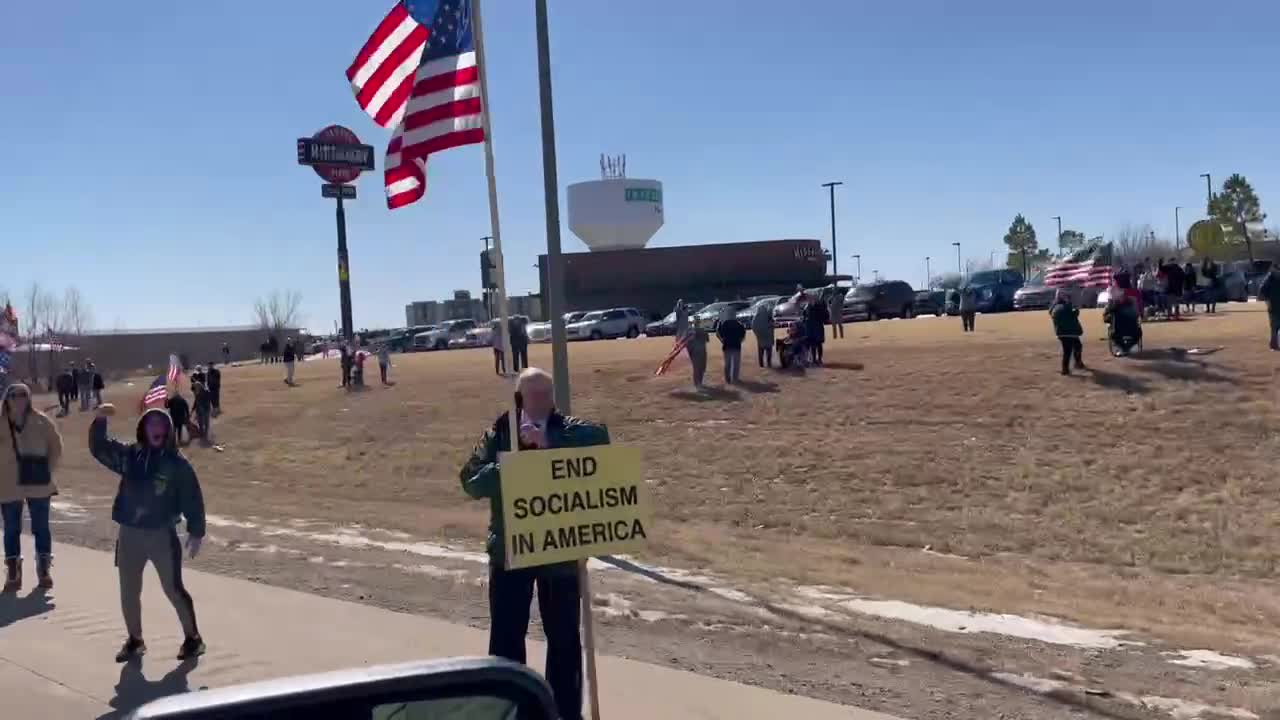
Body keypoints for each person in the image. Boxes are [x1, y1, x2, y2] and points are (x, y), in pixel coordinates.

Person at [459, 368, 609, 720]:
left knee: (565, 643)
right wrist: (512, 463)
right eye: (534, 395)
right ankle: (511, 710)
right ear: (519, 399)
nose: (542, 401)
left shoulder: (569, 429)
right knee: (507, 641)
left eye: (547, 394)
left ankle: (564, 713)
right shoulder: (499, 434)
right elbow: (470, 482)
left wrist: (549, 446)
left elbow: (601, 440)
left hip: (559, 550)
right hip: (511, 551)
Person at [89, 403, 205, 662]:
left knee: (173, 589)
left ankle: (193, 639)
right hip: (130, 533)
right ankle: (135, 640)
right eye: (151, 424)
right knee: (128, 590)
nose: (156, 429)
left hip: (161, 535)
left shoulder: (176, 464)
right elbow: (101, 449)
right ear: (143, 429)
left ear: (168, 430)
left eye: (161, 424)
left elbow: (192, 497)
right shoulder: (131, 455)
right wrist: (99, 421)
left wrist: (196, 532)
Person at [1, 383, 63, 592]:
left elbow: (56, 446)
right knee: (11, 529)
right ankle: (13, 571)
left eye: (23, 395)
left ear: (28, 398)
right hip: (8, 484)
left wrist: (47, 469)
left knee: (41, 528)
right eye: (14, 395)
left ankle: (43, 569)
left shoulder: (41, 421)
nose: (18, 399)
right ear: (7, 398)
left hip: (38, 483)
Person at [1050, 290, 1085, 375]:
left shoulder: (1054, 307)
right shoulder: (1066, 306)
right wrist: (1076, 310)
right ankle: (1066, 368)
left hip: (1061, 332)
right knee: (1070, 350)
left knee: (1075, 347)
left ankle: (1076, 363)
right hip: (1070, 332)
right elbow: (1073, 315)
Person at [1103, 289, 1142, 356]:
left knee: (1113, 334)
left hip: (1119, 332)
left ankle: (1125, 348)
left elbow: (1106, 319)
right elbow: (1138, 315)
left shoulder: (1112, 307)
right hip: (1132, 331)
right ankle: (1127, 347)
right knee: (1138, 333)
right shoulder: (1132, 305)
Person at [716, 313, 746, 384]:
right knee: (736, 364)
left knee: (727, 364)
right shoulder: (739, 324)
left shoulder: (723, 323)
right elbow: (743, 335)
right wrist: (740, 341)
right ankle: (735, 378)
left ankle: (727, 379)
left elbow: (717, 333)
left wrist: (722, 340)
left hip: (727, 346)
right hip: (736, 346)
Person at [1259, 267, 1280, 351]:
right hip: (1274, 305)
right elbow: (1262, 290)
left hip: (1273, 305)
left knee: (1274, 326)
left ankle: (1274, 345)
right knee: (1275, 326)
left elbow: (1262, 290)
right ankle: (1274, 345)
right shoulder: (1271, 277)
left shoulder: (1271, 276)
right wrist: (1267, 302)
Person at [684, 325, 708, 391]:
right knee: (697, 369)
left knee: (702, 368)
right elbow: (686, 344)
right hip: (695, 354)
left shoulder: (703, 331)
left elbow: (706, 340)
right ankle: (697, 384)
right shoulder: (689, 333)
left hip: (702, 352)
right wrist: (691, 353)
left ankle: (700, 382)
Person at [751, 299, 774, 368]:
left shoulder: (756, 317)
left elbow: (753, 326)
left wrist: (757, 334)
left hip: (761, 336)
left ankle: (761, 364)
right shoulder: (768, 316)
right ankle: (768, 363)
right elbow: (772, 324)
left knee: (761, 351)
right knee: (768, 350)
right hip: (768, 336)